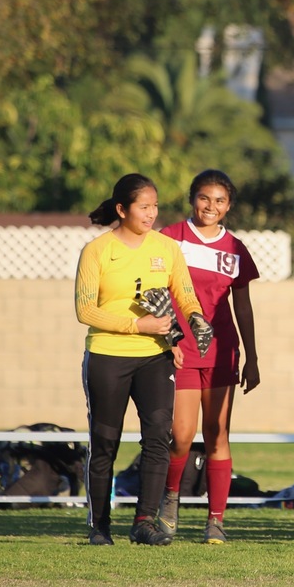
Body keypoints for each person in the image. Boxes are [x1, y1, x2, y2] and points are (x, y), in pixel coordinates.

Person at [75, 173, 211, 546]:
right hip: (107, 356)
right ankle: (99, 527)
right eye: (144, 206)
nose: (152, 213)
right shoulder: (97, 251)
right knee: (105, 443)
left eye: (155, 206)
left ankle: (144, 523)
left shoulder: (166, 248)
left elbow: (184, 293)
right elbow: (85, 310)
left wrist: (195, 318)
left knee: (157, 436)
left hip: (156, 357)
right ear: (122, 209)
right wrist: (138, 324)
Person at [156, 169, 261, 545]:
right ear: (191, 199)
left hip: (222, 352)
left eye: (219, 200)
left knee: (217, 433)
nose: (210, 206)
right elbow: (155, 294)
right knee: (181, 436)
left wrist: (252, 357)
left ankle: (215, 521)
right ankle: (170, 500)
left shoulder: (235, 248)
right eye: (204, 198)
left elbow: (243, 308)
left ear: (229, 206)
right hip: (181, 351)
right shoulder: (169, 239)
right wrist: (170, 340)